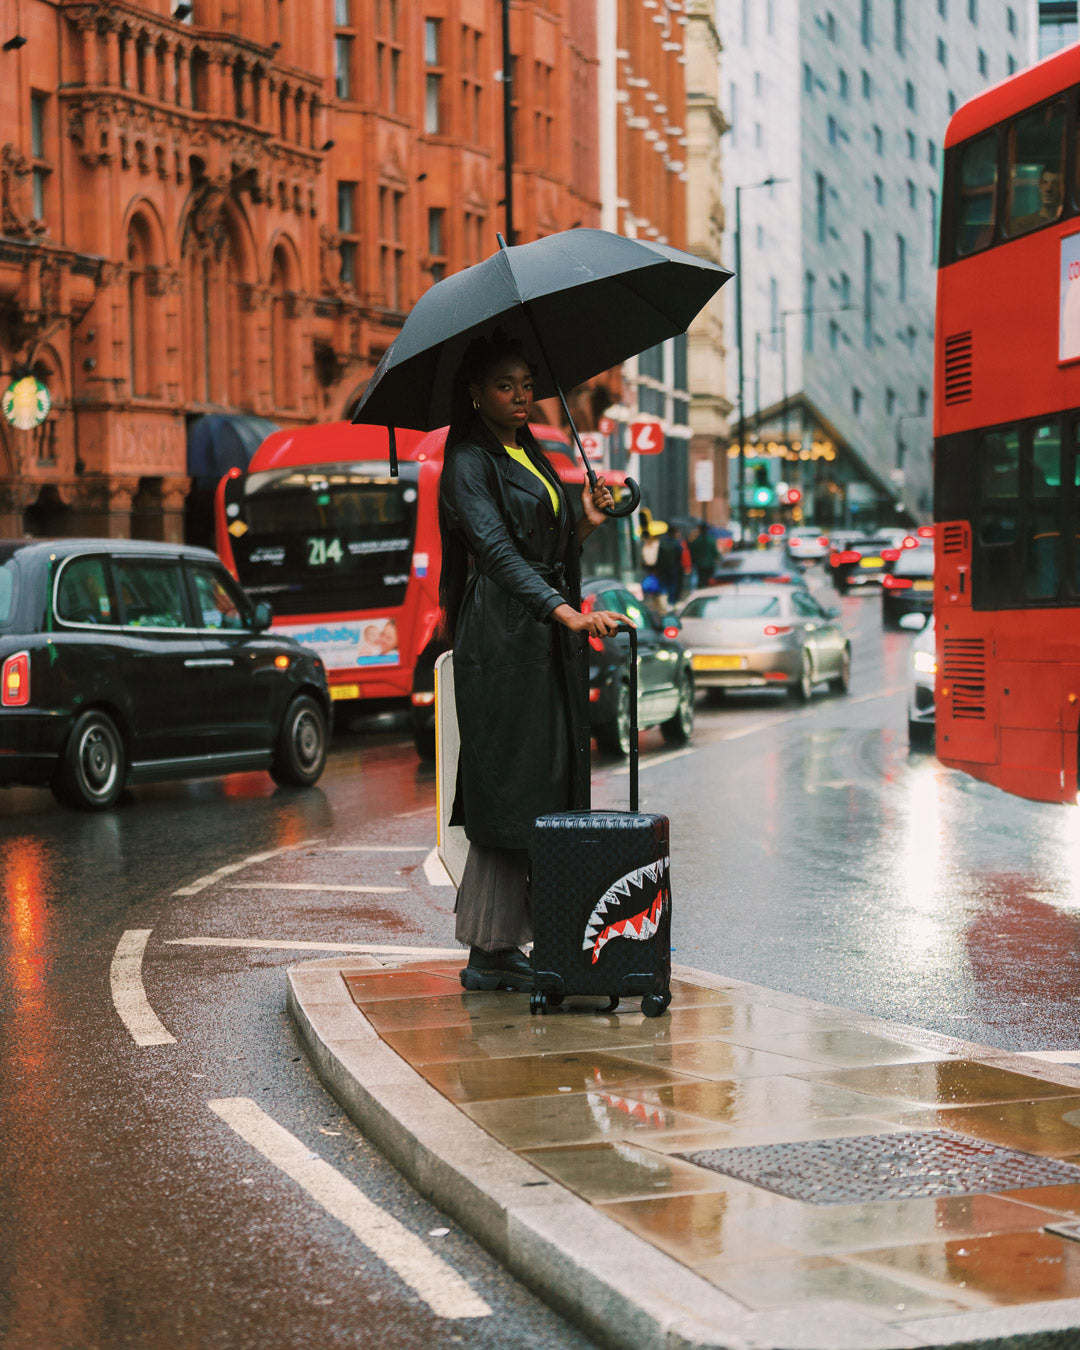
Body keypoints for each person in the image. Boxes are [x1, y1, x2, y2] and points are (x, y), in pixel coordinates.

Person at [438, 330, 632, 992]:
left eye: (527, 384)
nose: (520, 396)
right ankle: (492, 949)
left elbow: (546, 547)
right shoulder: (467, 460)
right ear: (475, 393)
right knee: (511, 786)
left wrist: (585, 523)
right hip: (500, 639)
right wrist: (567, 612)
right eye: (504, 386)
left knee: (547, 782)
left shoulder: (533, 452)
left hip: (543, 631)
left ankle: (502, 945)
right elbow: (494, 550)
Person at [1010, 166, 1063, 235]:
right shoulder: (1022, 224)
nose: (1048, 189)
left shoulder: (1065, 222)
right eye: (1045, 182)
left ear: (1061, 188)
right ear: (1040, 186)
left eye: (1055, 183)